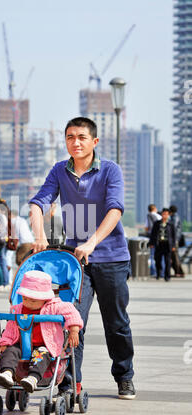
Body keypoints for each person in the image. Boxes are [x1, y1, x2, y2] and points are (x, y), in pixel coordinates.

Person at [29, 116, 136, 399]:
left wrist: (92, 241)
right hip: (76, 262)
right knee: (72, 321)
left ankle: (124, 376)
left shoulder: (110, 170)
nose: (75, 142)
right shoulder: (58, 171)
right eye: (69, 137)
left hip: (111, 257)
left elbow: (115, 209)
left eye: (81, 137)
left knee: (117, 323)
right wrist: (39, 235)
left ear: (94, 142)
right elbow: (39, 203)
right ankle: (69, 383)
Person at [0, 270, 83, 393]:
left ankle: (33, 378)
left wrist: (74, 329)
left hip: (45, 345)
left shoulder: (54, 306)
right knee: (9, 351)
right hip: (21, 344)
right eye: (24, 298)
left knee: (41, 355)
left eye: (33, 300)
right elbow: (11, 329)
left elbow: (71, 312)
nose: (28, 303)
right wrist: (5, 342)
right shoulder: (19, 309)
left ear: (45, 298)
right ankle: (7, 374)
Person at [149, 208, 176, 282]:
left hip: (167, 245)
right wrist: (151, 243)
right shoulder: (157, 223)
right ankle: (158, 274)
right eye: (164, 214)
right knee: (158, 260)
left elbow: (174, 235)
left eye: (166, 214)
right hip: (159, 244)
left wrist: (173, 245)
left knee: (167, 261)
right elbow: (153, 234)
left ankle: (167, 276)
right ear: (161, 214)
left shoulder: (171, 224)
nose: (165, 215)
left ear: (168, 215)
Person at [145, 204, 162, 276]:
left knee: (151, 256)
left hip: (152, 239)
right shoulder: (159, 216)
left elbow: (146, 227)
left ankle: (153, 272)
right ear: (155, 208)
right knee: (161, 256)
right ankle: (162, 272)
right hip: (160, 239)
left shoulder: (148, 216)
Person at [169, 205, 185, 278]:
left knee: (175, 256)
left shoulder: (174, 217)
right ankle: (178, 271)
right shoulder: (175, 217)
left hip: (175, 240)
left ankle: (179, 272)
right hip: (176, 239)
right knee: (174, 256)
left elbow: (173, 228)